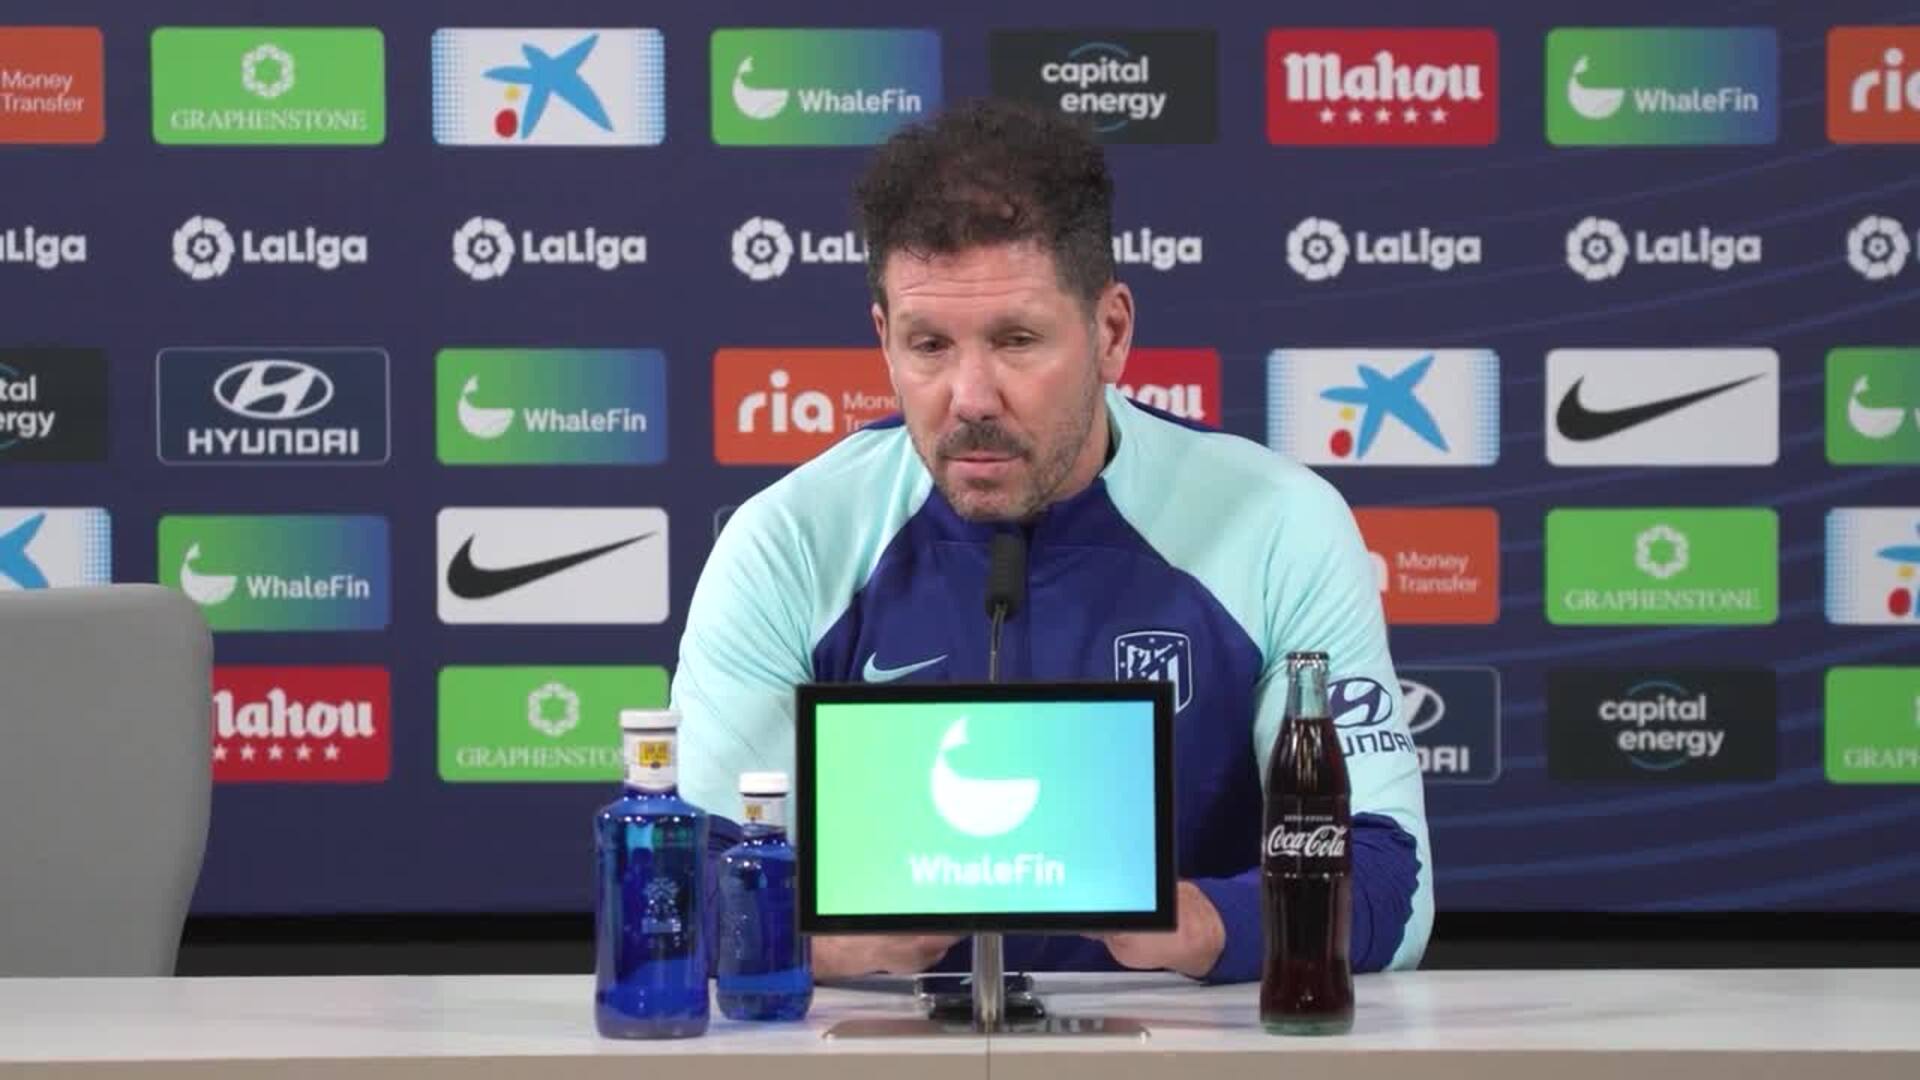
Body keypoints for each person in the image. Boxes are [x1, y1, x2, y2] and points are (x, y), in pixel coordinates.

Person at [673, 98, 1431, 983]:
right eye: (929, 345)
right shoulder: (789, 541)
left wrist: (1206, 924)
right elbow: (679, 892)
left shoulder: (1277, 523)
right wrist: (828, 940)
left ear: (1111, 333)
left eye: (1018, 340)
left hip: (1188, 1043)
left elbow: (1391, 886)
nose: (971, 397)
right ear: (884, 340)